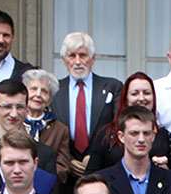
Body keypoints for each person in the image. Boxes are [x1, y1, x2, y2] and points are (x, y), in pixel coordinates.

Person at [87, 72, 171, 173]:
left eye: (146, 93)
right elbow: (91, 175)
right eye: (135, 93)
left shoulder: (167, 138)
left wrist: (166, 173)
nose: (141, 98)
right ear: (125, 98)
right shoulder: (107, 134)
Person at [52, 30, 123, 161]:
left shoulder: (113, 87)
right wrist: (69, 159)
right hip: (65, 166)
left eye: (83, 55)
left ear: (93, 58)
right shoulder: (54, 90)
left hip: (103, 164)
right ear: (64, 60)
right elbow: (51, 132)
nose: (77, 62)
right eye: (72, 56)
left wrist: (94, 157)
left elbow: (118, 127)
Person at [21, 68, 74, 187]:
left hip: (45, 189)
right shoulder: (12, 121)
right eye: (33, 89)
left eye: (44, 91)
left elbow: (62, 168)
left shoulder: (60, 130)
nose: (38, 94)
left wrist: (39, 183)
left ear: (49, 100)